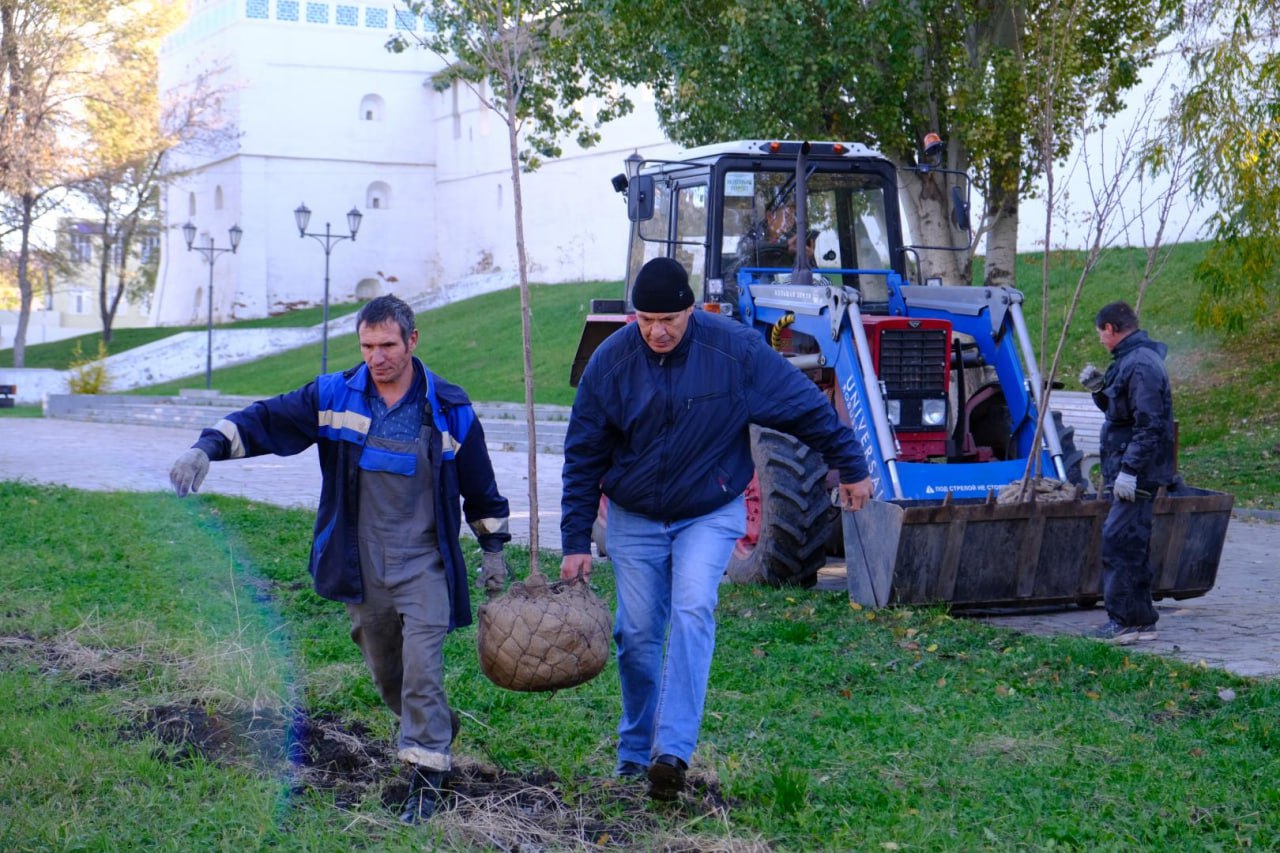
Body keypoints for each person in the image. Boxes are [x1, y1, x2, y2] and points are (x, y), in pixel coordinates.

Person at [167, 294, 512, 823]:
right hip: (361, 565)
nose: (377, 357)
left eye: (388, 345)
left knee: (423, 670)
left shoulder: (448, 408)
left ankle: (427, 776)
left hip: (424, 564)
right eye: (367, 346)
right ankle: (434, 726)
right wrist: (206, 447)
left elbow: (480, 484)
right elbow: (266, 419)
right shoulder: (335, 395)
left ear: (413, 341)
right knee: (389, 675)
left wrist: (493, 549)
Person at [559, 257, 873, 800]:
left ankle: (672, 753)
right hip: (635, 516)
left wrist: (851, 464)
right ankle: (634, 752)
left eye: (668, 320)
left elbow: (803, 406)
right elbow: (583, 453)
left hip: (709, 508)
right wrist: (573, 539)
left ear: (690, 311)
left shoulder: (735, 350)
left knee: (692, 608)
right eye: (646, 320)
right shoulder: (610, 362)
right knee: (636, 635)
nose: (657, 332)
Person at [1078, 300, 1177, 644]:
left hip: (1138, 471)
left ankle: (1124, 622)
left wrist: (1130, 470)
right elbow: (1120, 412)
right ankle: (1141, 622)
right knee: (1131, 543)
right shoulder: (1131, 360)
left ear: (1110, 329)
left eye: (1100, 333)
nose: (1100, 340)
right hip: (1131, 468)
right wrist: (1098, 390)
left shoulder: (1140, 364)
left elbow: (1150, 424)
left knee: (1118, 541)